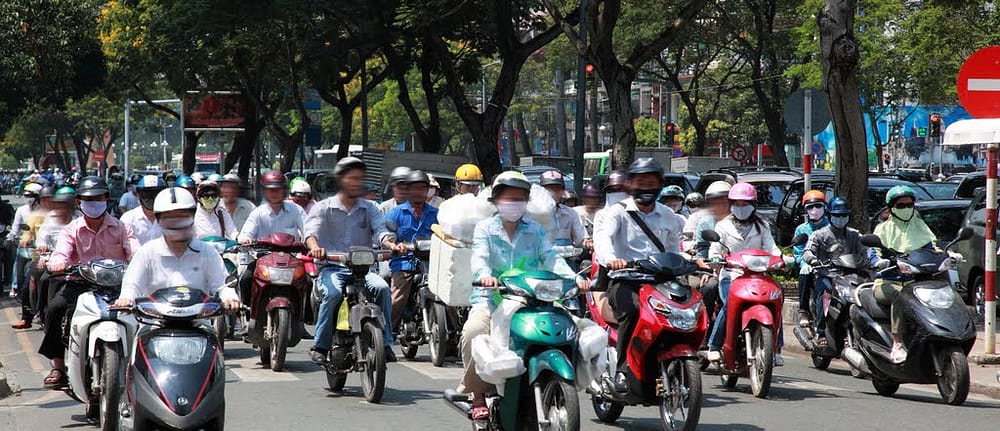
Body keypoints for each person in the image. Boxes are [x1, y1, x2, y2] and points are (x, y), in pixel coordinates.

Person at [461, 171, 587, 421]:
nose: (514, 203)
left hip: (532, 299)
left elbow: (551, 257)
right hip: (492, 298)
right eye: (508, 198)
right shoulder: (485, 229)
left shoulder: (536, 230)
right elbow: (480, 258)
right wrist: (485, 276)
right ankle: (476, 395)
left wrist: (573, 278)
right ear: (496, 200)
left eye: (520, 198)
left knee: (575, 329)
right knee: (473, 332)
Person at [593, 158, 687, 392]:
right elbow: (603, 240)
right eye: (640, 182)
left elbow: (674, 248)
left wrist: (687, 263)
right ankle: (623, 370)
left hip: (659, 282)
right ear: (631, 185)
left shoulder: (669, 216)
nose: (646, 187)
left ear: (659, 185)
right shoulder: (617, 213)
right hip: (625, 280)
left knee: (685, 310)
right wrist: (611, 260)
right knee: (633, 312)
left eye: (651, 182)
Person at [38, 176, 139, 389]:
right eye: (87, 198)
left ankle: (142, 365)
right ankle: (57, 365)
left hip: (118, 286)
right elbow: (61, 253)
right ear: (78, 201)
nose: (93, 202)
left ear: (107, 199)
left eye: (98, 197)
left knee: (145, 312)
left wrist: (140, 263)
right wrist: (57, 262)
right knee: (56, 307)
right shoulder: (71, 229)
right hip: (81, 283)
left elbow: (135, 252)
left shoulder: (122, 228)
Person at [305, 157, 397, 364]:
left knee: (382, 288)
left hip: (364, 270)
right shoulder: (322, 208)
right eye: (352, 178)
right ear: (340, 180)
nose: (356, 183)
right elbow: (311, 233)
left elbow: (381, 231)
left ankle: (387, 343)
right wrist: (316, 248)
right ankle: (320, 345)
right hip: (332, 268)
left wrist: (391, 245)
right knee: (334, 293)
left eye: (360, 179)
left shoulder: (371, 207)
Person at [114, 187, 241, 310]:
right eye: (169, 218)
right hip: (155, 322)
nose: (177, 223)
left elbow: (222, 285)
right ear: (159, 220)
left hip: (199, 322)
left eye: (182, 217)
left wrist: (230, 297)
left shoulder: (207, 252)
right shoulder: (146, 253)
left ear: (192, 218)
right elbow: (132, 284)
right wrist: (126, 298)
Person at [706, 182, 786, 365]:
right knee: (729, 304)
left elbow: (772, 248)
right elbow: (715, 249)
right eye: (738, 204)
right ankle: (714, 345)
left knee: (777, 301)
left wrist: (781, 258)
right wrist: (717, 258)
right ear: (732, 204)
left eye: (746, 204)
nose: (741, 208)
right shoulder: (722, 226)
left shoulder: (762, 226)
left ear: (753, 205)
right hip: (732, 276)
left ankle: (776, 348)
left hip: (759, 277)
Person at [873, 185, 938, 363]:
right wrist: (879, 262)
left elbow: (932, 249)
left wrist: (948, 256)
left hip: (914, 282)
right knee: (900, 296)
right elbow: (873, 253)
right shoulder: (882, 230)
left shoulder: (920, 226)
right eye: (901, 206)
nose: (906, 209)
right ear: (891, 208)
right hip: (888, 282)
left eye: (909, 204)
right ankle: (897, 343)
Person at [802, 196, 874, 343]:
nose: (840, 218)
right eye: (837, 215)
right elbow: (807, 251)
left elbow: (867, 251)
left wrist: (876, 262)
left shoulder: (855, 234)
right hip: (827, 275)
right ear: (830, 215)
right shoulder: (819, 235)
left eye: (843, 215)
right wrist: (813, 260)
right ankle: (821, 331)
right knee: (826, 292)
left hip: (851, 275)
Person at [383, 170, 438, 333]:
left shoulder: (435, 213)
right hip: (404, 262)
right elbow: (386, 234)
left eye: (422, 188)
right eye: (414, 188)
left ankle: (453, 335)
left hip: (431, 263)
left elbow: (444, 234)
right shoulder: (397, 213)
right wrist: (395, 245)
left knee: (446, 297)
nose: (418, 192)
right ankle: (386, 334)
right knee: (397, 297)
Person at [237, 171, 305, 303]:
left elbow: (308, 230)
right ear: (264, 191)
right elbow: (245, 234)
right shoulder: (258, 213)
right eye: (270, 189)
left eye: (277, 189)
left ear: (284, 190)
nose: (274, 193)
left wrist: (310, 243)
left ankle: (306, 317)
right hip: (263, 260)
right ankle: (248, 311)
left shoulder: (296, 210)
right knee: (246, 279)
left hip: (291, 261)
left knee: (308, 281)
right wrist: (245, 240)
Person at [793, 190, 829, 327]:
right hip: (811, 267)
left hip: (831, 266)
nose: (815, 210)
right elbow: (798, 253)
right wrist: (804, 263)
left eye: (818, 206)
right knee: (804, 275)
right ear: (805, 210)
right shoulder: (801, 230)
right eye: (810, 207)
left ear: (824, 207)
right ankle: (804, 310)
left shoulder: (831, 226)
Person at [539, 170, 589, 249]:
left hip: (566, 258)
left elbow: (581, 238)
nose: (553, 193)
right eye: (549, 189)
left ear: (562, 192)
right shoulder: (531, 213)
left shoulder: (571, 213)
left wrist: (588, 243)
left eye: (557, 189)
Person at [7, 183, 42, 295]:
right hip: (25, 244)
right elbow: (15, 228)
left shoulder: (44, 211)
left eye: (31, 196)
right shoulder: (21, 210)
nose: (28, 199)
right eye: (26, 196)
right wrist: (11, 237)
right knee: (18, 260)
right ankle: (15, 286)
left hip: (40, 246)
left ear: (38, 197)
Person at [120, 175, 166, 245]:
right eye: (145, 195)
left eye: (155, 194)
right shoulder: (128, 219)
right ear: (138, 195)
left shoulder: (170, 218)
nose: (150, 199)